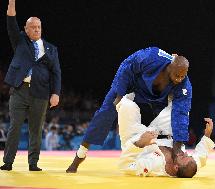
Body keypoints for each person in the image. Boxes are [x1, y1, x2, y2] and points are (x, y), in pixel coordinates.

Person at [66, 47, 192, 173]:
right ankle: (80, 155)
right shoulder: (151, 56)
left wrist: (177, 148)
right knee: (105, 113)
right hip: (132, 84)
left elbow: (181, 114)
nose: (179, 79)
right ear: (170, 66)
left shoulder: (184, 85)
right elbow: (126, 66)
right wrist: (119, 94)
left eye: (182, 76)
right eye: (177, 75)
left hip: (157, 99)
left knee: (175, 116)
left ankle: (147, 150)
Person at [0, 0, 61, 171]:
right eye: (32, 27)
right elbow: (11, 20)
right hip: (19, 90)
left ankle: (33, 163)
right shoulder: (19, 41)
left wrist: (55, 93)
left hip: (41, 93)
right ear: (25, 30)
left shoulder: (51, 49)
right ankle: (8, 162)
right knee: (15, 127)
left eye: (38, 27)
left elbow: (56, 72)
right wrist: (11, 1)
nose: (36, 29)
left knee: (36, 129)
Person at [117, 93, 215, 177]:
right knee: (180, 106)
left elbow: (126, 166)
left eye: (183, 157)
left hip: (136, 138)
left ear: (176, 167)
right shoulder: (189, 164)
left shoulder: (154, 166)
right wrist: (207, 135)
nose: (185, 153)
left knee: (127, 105)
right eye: (188, 155)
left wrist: (140, 143)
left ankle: (126, 96)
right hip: (163, 133)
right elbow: (201, 156)